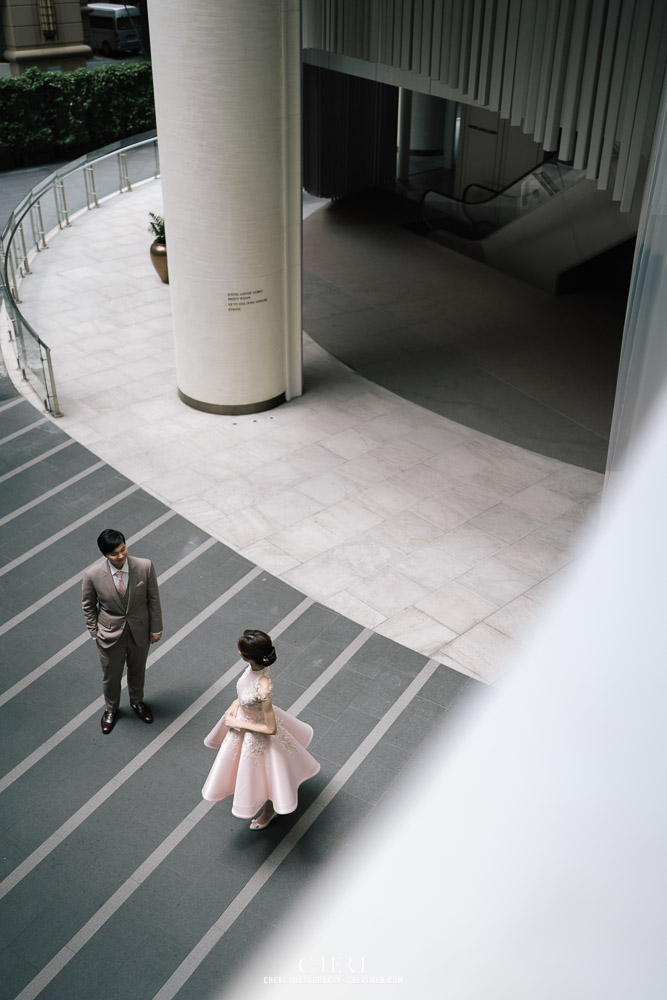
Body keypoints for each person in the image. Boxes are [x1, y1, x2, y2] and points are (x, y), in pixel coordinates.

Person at [202, 629, 320, 830]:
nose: (238, 651)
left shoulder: (263, 686)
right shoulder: (255, 667)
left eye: (240, 649)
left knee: (263, 774)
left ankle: (269, 811)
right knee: (246, 771)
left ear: (246, 656)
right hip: (242, 719)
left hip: (255, 731)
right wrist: (234, 706)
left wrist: (239, 724)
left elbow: (271, 728)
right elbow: (243, 693)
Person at [82, 528, 163, 734]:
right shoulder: (92, 574)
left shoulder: (145, 566)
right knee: (111, 675)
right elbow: (88, 605)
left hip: (140, 632)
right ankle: (111, 709)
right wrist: (94, 631)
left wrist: (156, 628)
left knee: (138, 670)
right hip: (109, 635)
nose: (120, 556)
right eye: (114, 553)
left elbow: (153, 599)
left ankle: (137, 702)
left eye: (123, 549)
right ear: (104, 555)